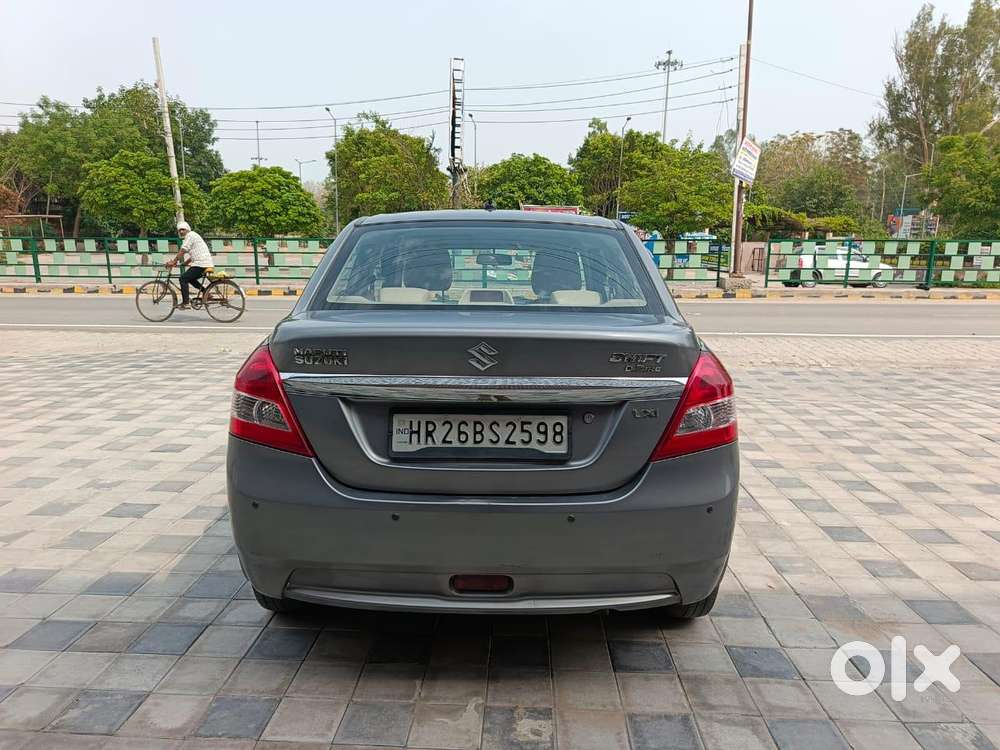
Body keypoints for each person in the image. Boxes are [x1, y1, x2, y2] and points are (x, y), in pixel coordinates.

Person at [166, 221, 215, 309]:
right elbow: (194, 254)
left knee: (183, 278)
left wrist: (174, 261)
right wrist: (185, 263)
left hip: (201, 264)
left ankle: (186, 303)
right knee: (190, 279)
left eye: (183, 229)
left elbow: (183, 250)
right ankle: (206, 293)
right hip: (203, 263)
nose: (181, 232)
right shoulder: (192, 236)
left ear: (187, 229)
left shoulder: (190, 235)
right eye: (179, 230)